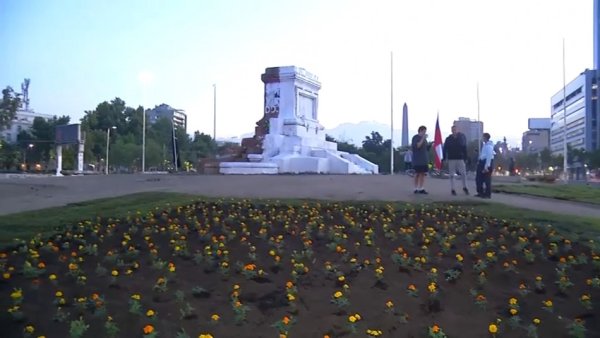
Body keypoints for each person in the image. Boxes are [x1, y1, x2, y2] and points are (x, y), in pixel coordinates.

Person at [443, 125, 469, 196]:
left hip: (460, 158)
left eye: (455, 129)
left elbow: (464, 147)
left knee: (463, 173)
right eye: (453, 130)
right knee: (451, 175)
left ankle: (465, 187)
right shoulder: (448, 139)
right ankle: (453, 189)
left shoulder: (461, 138)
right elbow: (445, 149)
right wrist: (445, 158)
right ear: (451, 130)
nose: (454, 131)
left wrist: (466, 158)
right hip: (451, 158)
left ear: (457, 130)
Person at [475, 133, 495, 198]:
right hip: (482, 162)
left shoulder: (489, 146)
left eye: (483, 137)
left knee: (487, 179)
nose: (482, 138)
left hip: (486, 163)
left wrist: (486, 166)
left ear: (485, 137)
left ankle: (487, 194)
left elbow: (489, 157)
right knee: (479, 179)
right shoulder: (485, 145)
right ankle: (480, 192)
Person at [411, 126, 430, 194]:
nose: (425, 133)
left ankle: (421, 188)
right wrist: (423, 138)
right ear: (420, 131)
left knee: (423, 174)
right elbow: (417, 146)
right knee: (417, 174)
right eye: (424, 131)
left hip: (424, 159)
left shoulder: (425, 139)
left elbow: (426, 148)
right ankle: (415, 188)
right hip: (417, 160)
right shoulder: (415, 137)